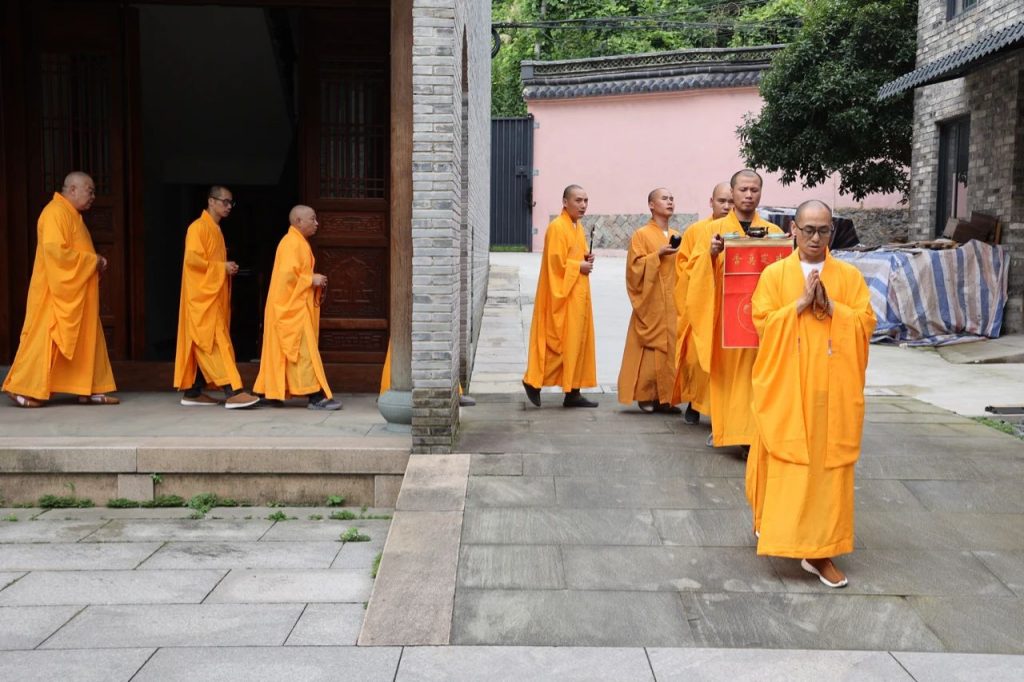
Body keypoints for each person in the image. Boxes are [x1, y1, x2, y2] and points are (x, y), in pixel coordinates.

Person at [745, 200, 875, 588]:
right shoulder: (774, 275)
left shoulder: (848, 277)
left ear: (831, 232)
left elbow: (866, 323)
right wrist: (799, 306)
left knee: (826, 471)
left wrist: (834, 308)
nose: (815, 238)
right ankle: (781, 532)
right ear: (794, 232)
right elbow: (762, 323)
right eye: (808, 230)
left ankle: (821, 551)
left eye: (823, 230)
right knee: (787, 461)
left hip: (831, 395)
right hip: (788, 391)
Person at [686, 169, 782, 450]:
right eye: (743, 190)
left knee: (757, 378)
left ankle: (750, 435)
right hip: (727, 321)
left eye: (754, 190)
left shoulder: (773, 232)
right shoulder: (711, 232)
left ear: (760, 193)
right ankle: (731, 431)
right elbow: (692, 273)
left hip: (760, 321)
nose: (748, 195)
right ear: (733, 192)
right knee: (730, 380)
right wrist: (711, 254)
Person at [3, 172, 118, 407]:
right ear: (73, 189)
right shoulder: (54, 213)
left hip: (78, 293)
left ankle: (90, 388)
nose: (94, 196)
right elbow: (56, 253)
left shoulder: (73, 215)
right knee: (45, 339)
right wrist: (92, 261)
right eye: (90, 190)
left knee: (87, 338)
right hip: (55, 294)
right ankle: (22, 388)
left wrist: (92, 262)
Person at [173, 186, 259, 409]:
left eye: (231, 203)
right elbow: (192, 261)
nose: (228, 207)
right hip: (201, 299)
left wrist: (224, 268)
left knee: (204, 344)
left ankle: (193, 391)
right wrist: (222, 268)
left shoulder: (215, 230)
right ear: (211, 201)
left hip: (211, 298)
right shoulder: (198, 228)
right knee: (213, 344)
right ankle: (233, 390)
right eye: (225, 202)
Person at [253, 205, 341, 410]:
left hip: (290, 306)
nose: (316, 223)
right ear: (298, 221)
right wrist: (311, 279)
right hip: (289, 309)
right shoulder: (291, 243)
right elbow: (286, 277)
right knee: (303, 353)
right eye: (313, 219)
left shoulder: (297, 242)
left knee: (283, 353)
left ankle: (270, 392)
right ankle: (315, 396)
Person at [522, 184, 598, 408]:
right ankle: (533, 382)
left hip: (578, 294)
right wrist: (579, 266)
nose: (583, 205)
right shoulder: (557, 227)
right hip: (562, 295)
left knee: (578, 343)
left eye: (585, 200)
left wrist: (585, 258)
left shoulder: (577, 227)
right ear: (565, 202)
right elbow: (555, 265)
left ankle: (573, 391)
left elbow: (573, 255)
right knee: (558, 343)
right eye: (578, 200)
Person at [672, 182, 732, 424]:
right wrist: (709, 257)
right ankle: (694, 403)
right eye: (722, 201)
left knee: (724, 361)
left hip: (729, 306)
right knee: (696, 358)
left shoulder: (741, 231)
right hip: (701, 304)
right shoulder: (697, 230)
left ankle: (723, 410)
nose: (727, 206)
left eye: (731, 201)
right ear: (711, 202)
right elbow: (683, 267)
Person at [617, 187, 681, 413]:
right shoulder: (641, 235)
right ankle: (645, 396)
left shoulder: (675, 233)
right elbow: (634, 268)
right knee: (650, 349)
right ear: (652, 205)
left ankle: (666, 398)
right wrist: (657, 256)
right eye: (664, 198)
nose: (670, 202)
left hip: (672, 301)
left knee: (670, 349)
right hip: (650, 301)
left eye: (672, 198)